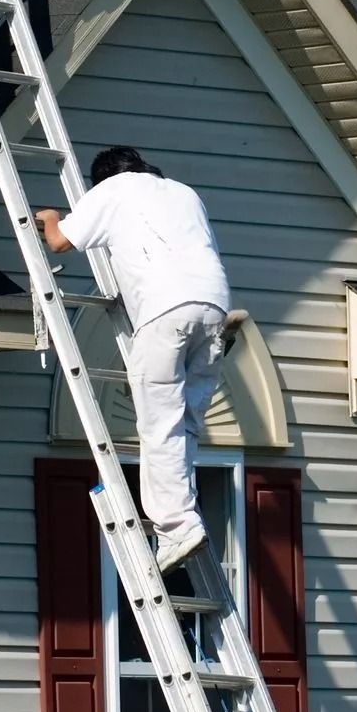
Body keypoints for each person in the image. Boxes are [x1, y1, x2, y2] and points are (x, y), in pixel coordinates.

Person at [35, 146, 231, 572]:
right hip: (213, 307)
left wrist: (49, 217)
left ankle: (178, 527)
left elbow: (60, 241)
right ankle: (186, 514)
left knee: (158, 423)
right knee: (185, 423)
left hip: (164, 311)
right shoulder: (182, 192)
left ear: (103, 177)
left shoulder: (113, 190)